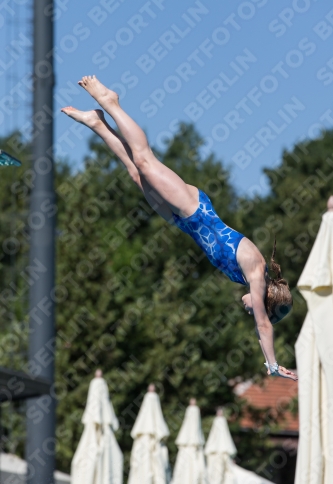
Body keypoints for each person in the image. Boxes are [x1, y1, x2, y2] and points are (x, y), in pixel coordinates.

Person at [61, 75, 298, 382]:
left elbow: (262, 324)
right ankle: (111, 102)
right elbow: (263, 327)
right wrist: (273, 364)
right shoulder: (256, 272)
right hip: (194, 207)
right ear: (263, 300)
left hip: (183, 221)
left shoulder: (249, 279)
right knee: (145, 161)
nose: (251, 313)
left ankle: (98, 124)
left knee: (136, 174)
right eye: (257, 310)